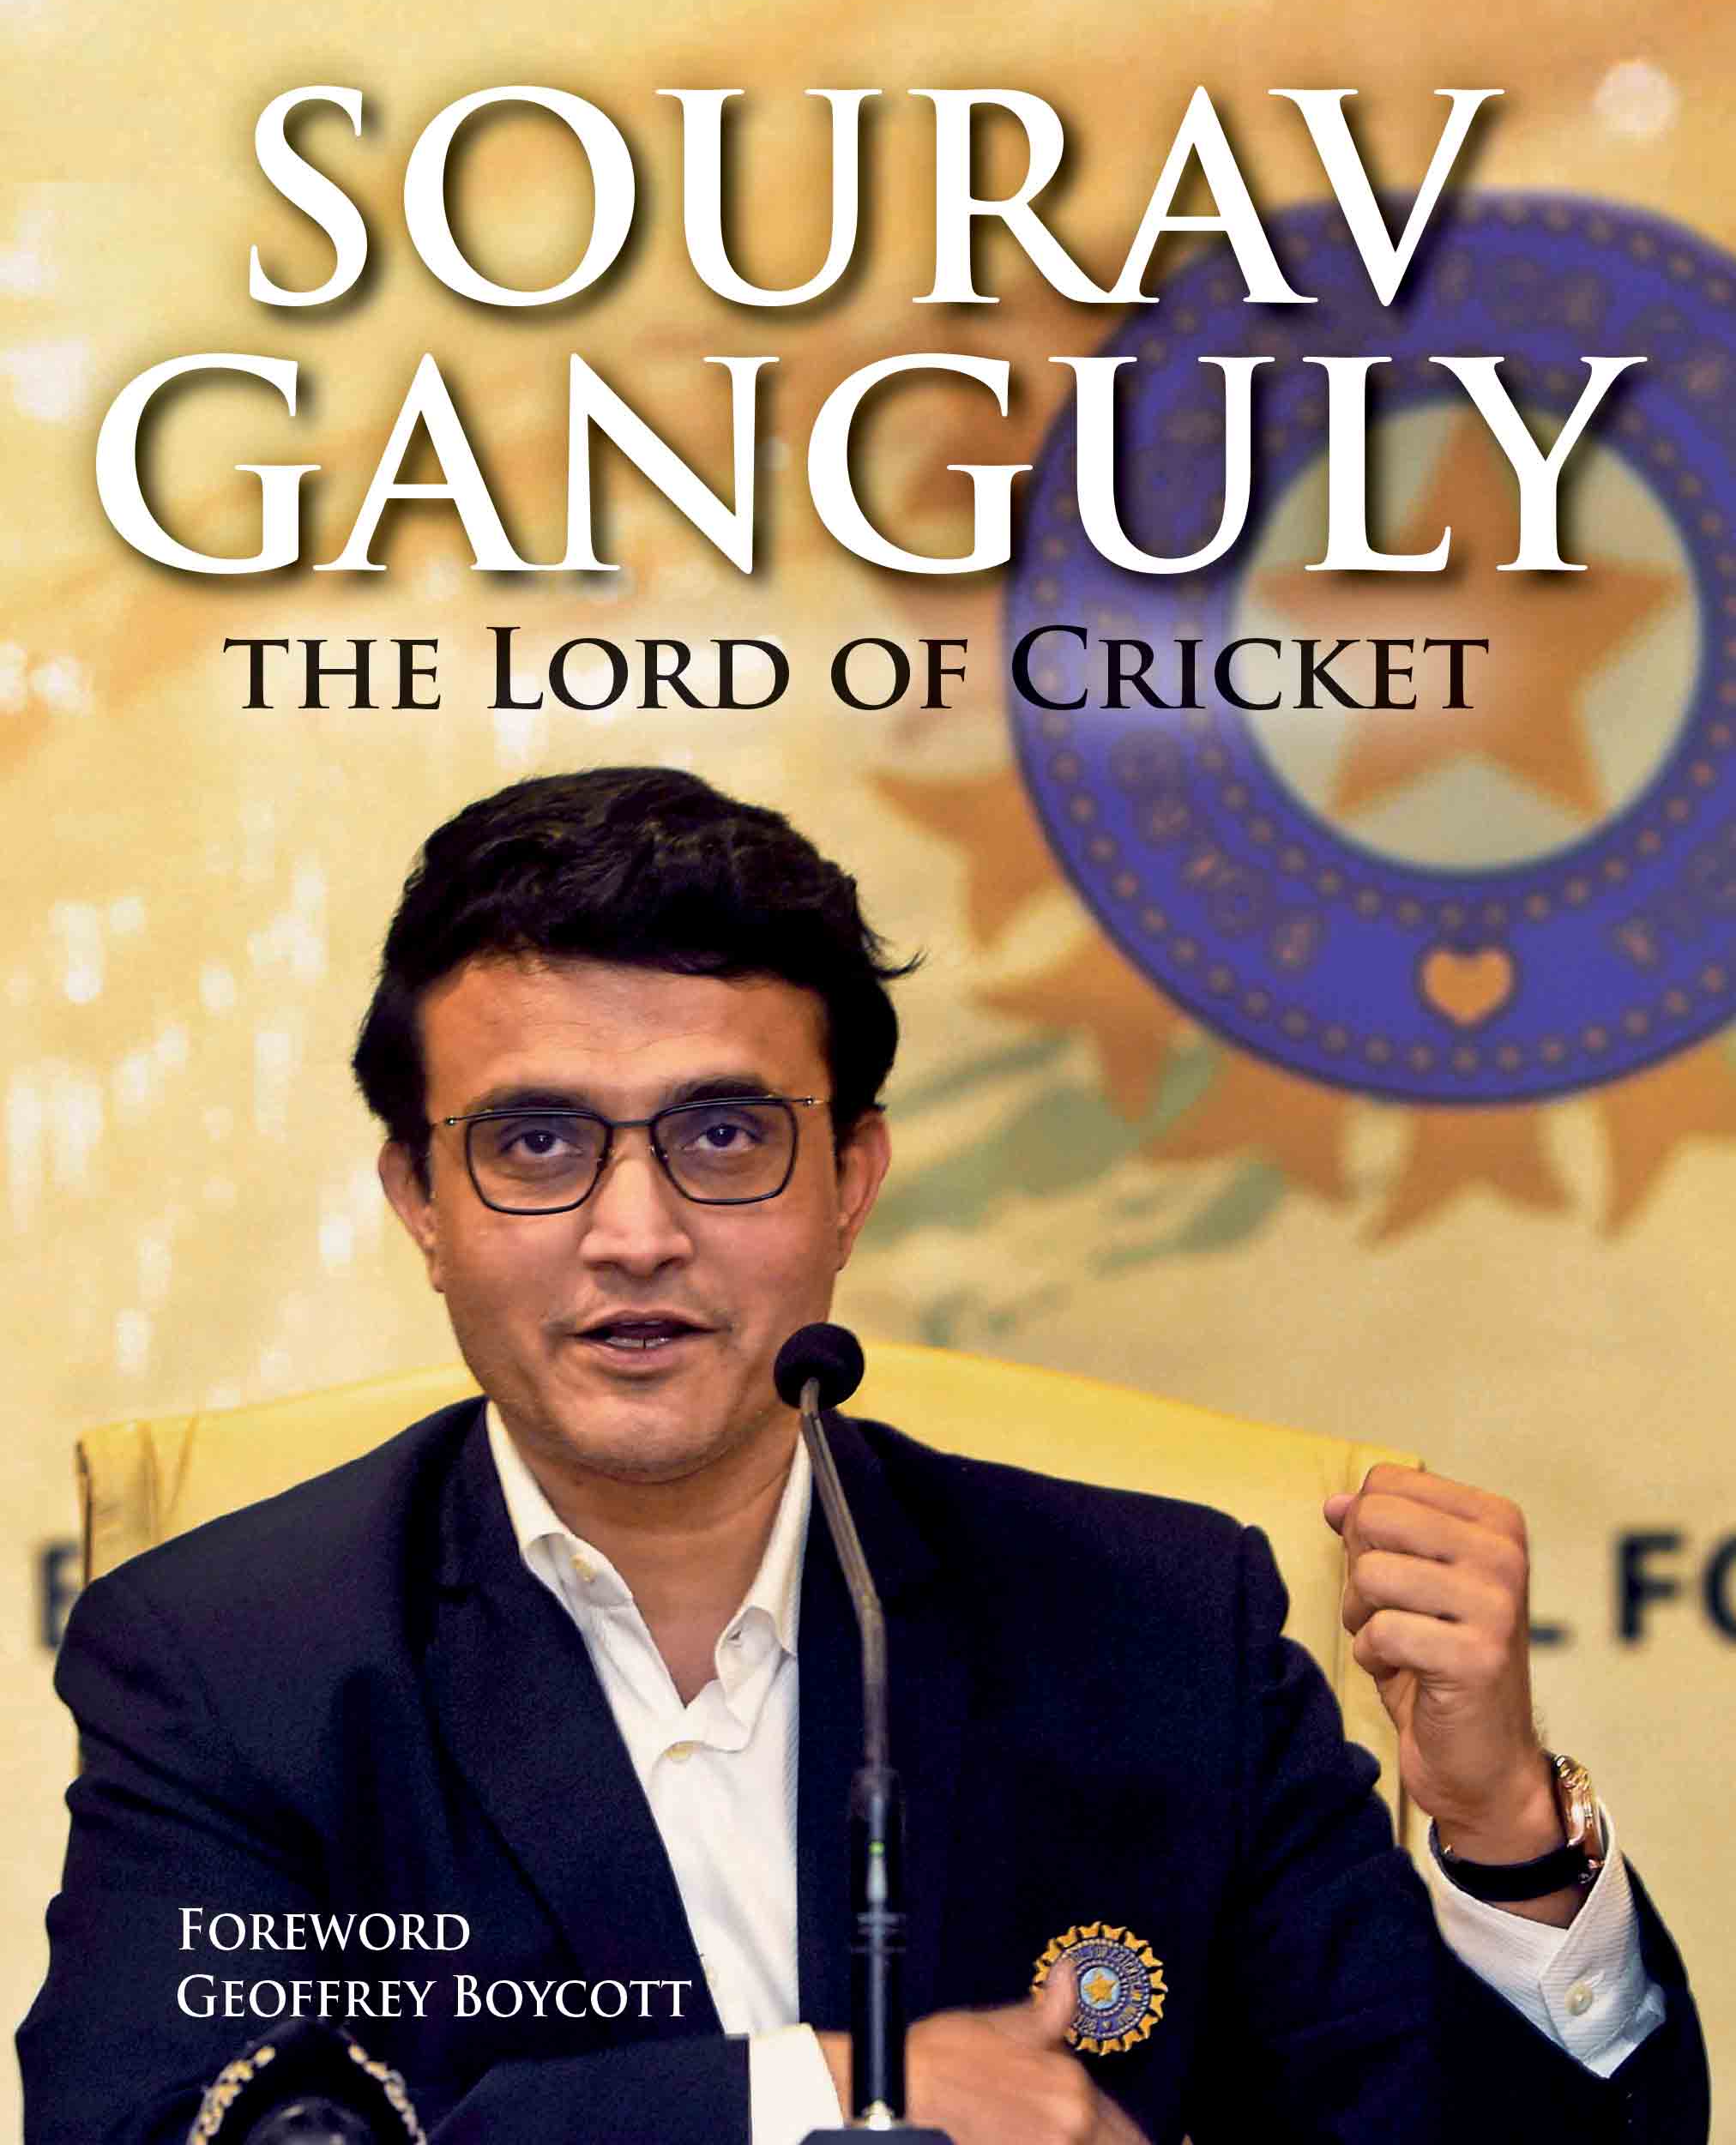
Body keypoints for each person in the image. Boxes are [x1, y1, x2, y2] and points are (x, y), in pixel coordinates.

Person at [19, 768, 1706, 2145]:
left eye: (723, 1133)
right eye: (535, 1140)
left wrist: (1501, 1827)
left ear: (853, 1179)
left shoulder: (1157, 1623)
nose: (635, 1230)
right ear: (421, 1201)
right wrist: (824, 2098)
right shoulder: (236, 1660)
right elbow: (168, 2128)